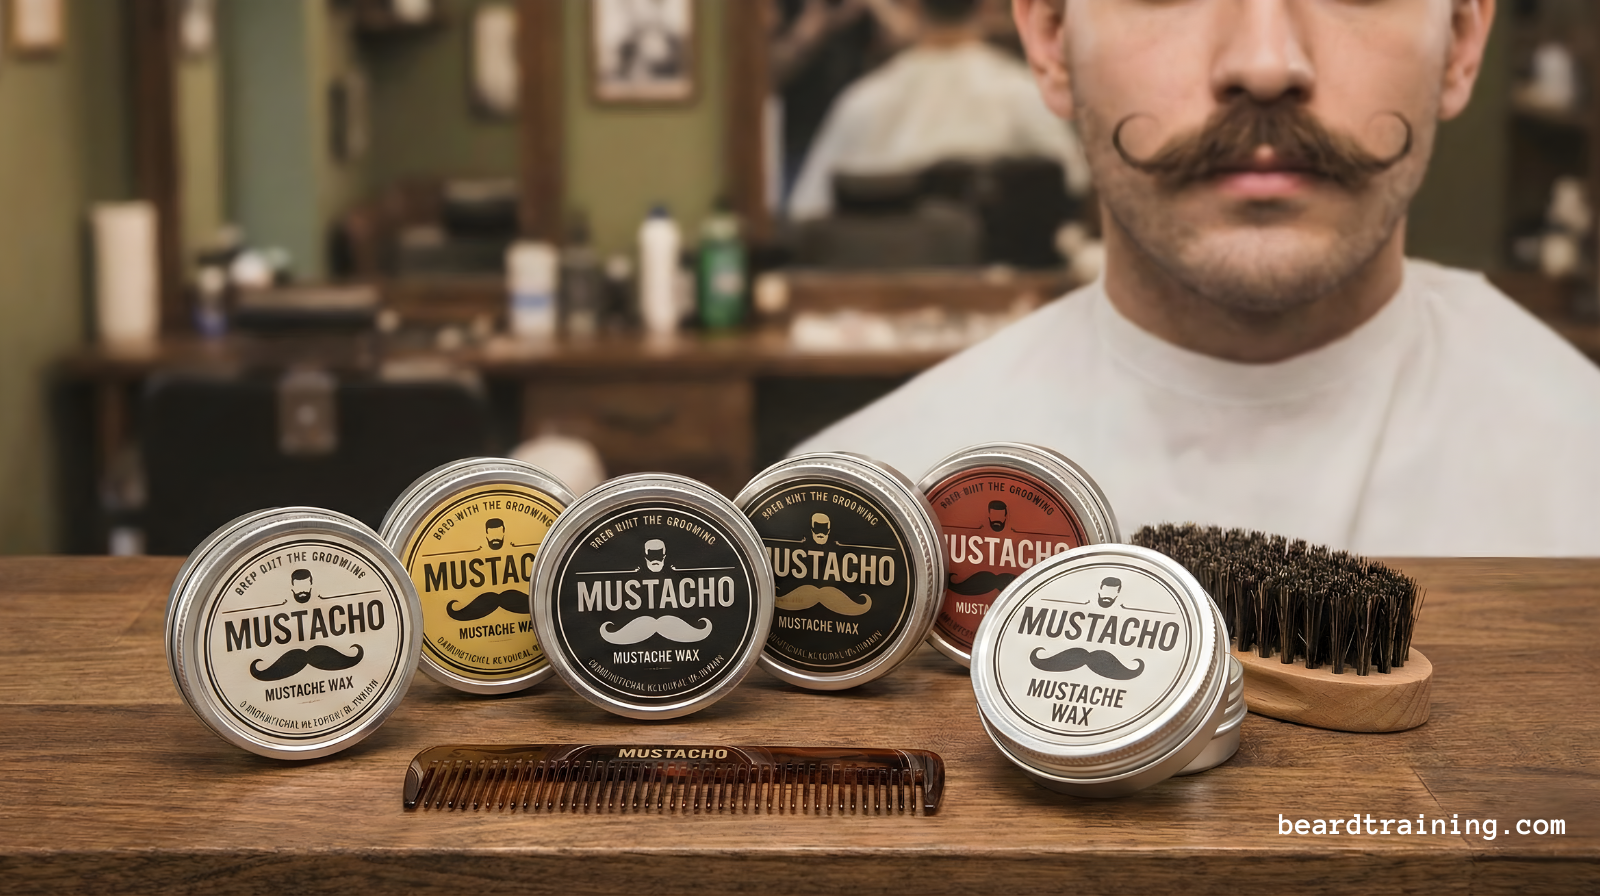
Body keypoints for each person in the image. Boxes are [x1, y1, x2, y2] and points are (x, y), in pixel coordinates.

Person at [796, 0, 1600, 557]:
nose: (1264, 64)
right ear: (1050, 40)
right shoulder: (853, 522)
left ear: (1460, 42)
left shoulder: (1577, 467)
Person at [787, 0, 1091, 220]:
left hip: (882, 290)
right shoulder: (1022, 94)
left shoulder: (863, 102)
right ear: (989, 8)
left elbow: (808, 211)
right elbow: (1076, 188)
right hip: (1006, 289)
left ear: (910, 8)